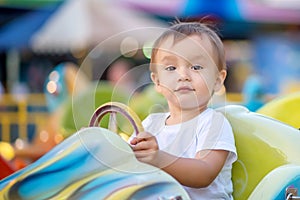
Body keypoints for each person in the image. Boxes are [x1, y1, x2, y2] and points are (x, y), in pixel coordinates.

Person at [129, 21, 237, 199]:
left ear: (218, 80)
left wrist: (157, 158)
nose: (183, 76)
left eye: (196, 67)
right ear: (157, 81)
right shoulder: (151, 123)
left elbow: (204, 173)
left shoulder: (213, 123)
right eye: (171, 68)